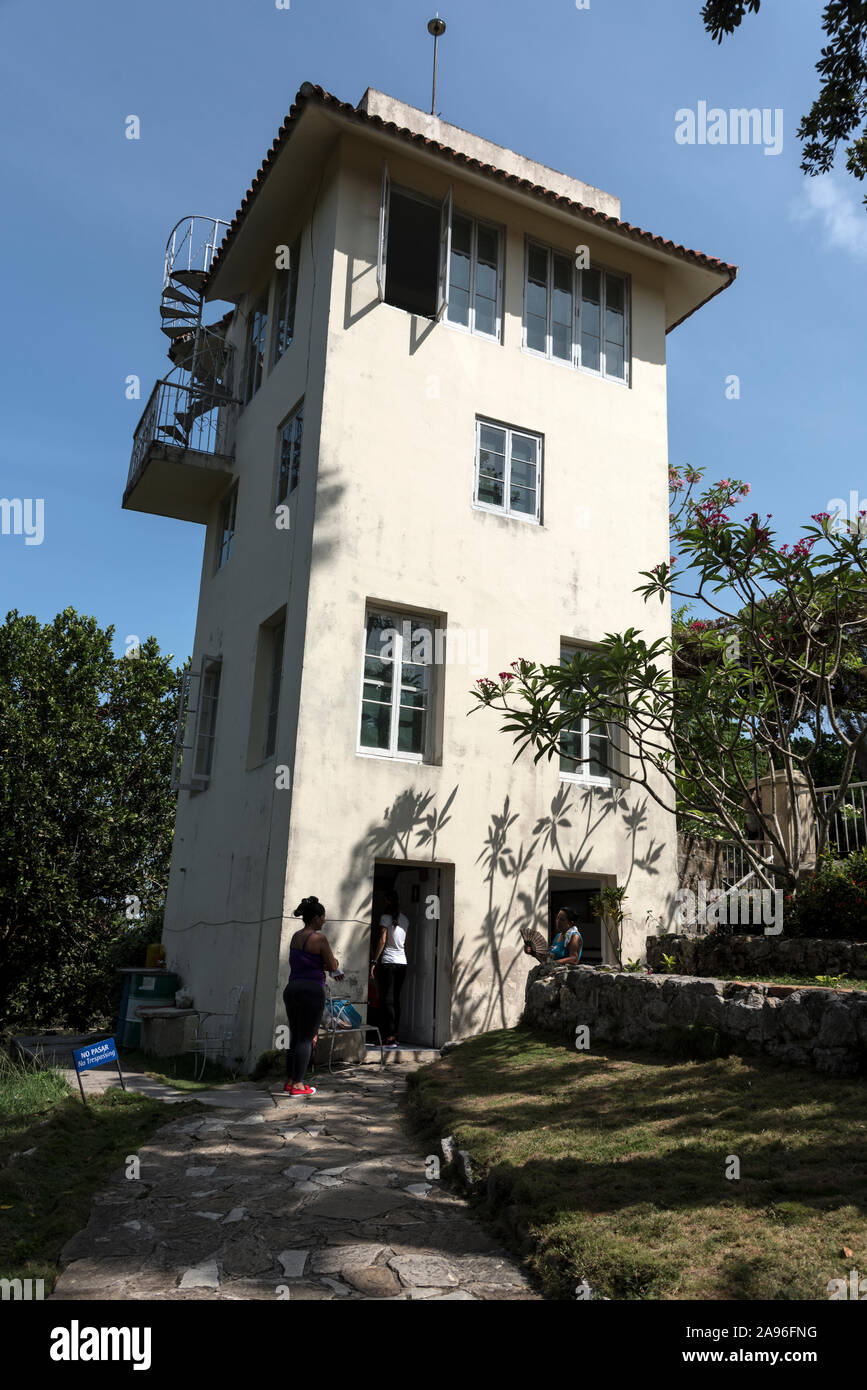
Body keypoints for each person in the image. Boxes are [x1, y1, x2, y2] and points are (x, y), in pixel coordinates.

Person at [282, 895, 342, 1096]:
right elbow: (333, 965)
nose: (325, 920)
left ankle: (290, 1080)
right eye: (323, 917)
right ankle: (299, 1085)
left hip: (292, 989)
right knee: (307, 1038)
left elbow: (303, 961)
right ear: (316, 917)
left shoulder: (295, 937)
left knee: (295, 1037)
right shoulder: (319, 938)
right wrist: (333, 966)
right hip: (312, 991)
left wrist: (321, 964)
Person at [371, 890, 408, 1046]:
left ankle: (389, 1036)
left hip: (388, 962)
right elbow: (406, 943)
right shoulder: (405, 919)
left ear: (387, 902)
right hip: (402, 962)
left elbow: (382, 941)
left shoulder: (385, 918)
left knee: (387, 1000)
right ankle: (395, 1034)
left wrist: (374, 961)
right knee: (395, 1000)